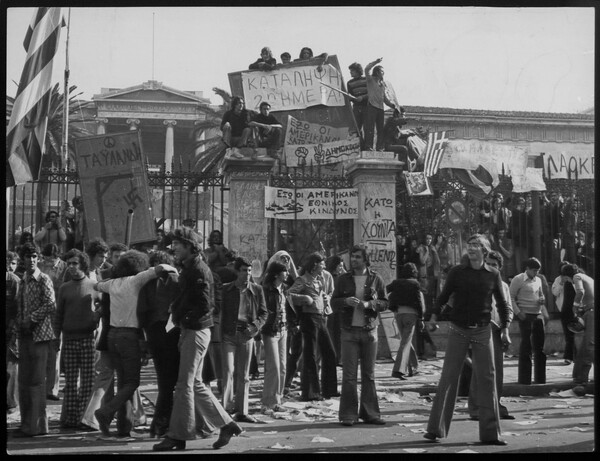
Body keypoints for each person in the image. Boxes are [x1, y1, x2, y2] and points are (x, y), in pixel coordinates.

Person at [153, 228, 241, 451]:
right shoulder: (191, 268)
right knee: (195, 383)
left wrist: (184, 318)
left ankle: (177, 436)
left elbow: (205, 305)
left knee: (184, 385)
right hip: (193, 330)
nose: (174, 249)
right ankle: (227, 424)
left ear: (191, 246)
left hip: (196, 330)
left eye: (178, 245)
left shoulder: (198, 270)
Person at [423, 234, 511, 446]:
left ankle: (491, 434)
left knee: (487, 379)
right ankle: (435, 430)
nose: (471, 248)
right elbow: (443, 297)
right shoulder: (457, 272)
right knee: (448, 377)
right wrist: (433, 317)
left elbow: (502, 303)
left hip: (483, 330)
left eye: (476, 245)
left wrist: (506, 328)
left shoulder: (493, 274)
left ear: (485, 250)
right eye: (469, 245)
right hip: (458, 329)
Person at [93, 250, 176, 438]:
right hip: (128, 336)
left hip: (112, 335)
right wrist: (175, 270)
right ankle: (106, 412)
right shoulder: (136, 280)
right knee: (132, 382)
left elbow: (96, 285)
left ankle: (124, 428)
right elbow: (160, 268)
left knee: (124, 382)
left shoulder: (112, 284)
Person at [331, 244, 388, 426]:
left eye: (357, 257)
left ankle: (370, 414)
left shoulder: (376, 278)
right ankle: (348, 415)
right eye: (352, 257)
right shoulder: (342, 279)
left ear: (365, 259)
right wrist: (345, 301)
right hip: (349, 332)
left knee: (368, 375)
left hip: (370, 331)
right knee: (349, 376)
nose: (353, 260)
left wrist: (370, 304)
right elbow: (333, 303)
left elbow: (385, 303)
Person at [12, 243, 57, 437]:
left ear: (38, 258)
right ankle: (26, 424)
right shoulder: (23, 280)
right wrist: (20, 324)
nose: (31, 260)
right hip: (25, 335)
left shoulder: (43, 279)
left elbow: (51, 304)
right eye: (27, 256)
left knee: (37, 382)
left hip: (40, 335)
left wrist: (31, 319)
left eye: (34, 256)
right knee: (24, 381)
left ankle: (38, 426)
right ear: (22, 259)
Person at [54, 249, 101, 429]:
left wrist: (97, 316)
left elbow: (104, 305)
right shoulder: (65, 288)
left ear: (82, 264)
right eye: (69, 263)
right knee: (71, 382)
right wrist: (55, 338)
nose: (72, 267)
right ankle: (71, 418)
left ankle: (84, 417)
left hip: (88, 338)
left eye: (75, 263)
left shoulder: (94, 285)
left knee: (88, 380)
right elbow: (58, 315)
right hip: (69, 339)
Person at [467, 250, 515, 421]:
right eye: (488, 264)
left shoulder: (504, 287)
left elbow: (507, 308)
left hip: (497, 330)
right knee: (479, 370)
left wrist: (505, 329)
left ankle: (495, 403)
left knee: (497, 371)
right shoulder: (477, 282)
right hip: (480, 329)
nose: (491, 268)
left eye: (494, 265)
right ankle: (475, 407)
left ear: (500, 268)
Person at [137, 250, 180, 438]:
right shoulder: (174, 281)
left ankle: (161, 423)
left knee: (165, 381)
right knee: (170, 382)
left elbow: (142, 314)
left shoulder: (149, 283)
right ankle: (162, 423)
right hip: (169, 333)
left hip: (159, 333)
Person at [220, 256, 268, 422]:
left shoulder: (257, 290)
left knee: (244, 375)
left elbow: (264, 313)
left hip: (247, 335)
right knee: (227, 371)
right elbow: (221, 312)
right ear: (237, 271)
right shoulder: (227, 289)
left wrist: (255, 327)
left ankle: (242, 411)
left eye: (249, 271)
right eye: (243, 270)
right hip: (229, 335)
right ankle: (225, 410)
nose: (247, 274)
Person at [289, 252, 338, 401]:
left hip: (321, 317)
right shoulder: (302, 280)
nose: (324, 266)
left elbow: (323, 294)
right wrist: (305, 298)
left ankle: (329, 389)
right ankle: (311, 392)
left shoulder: (320, 280)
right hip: (308, 318)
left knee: (330, 352)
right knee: (310, 356)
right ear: (315, 265)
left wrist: (324, 299)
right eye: (322, 263)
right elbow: (288, 294)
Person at [509, 257, 549, 385]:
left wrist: (542, 300)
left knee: (540, 348)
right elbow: (510, 297)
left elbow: (541, 294)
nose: (536, 273)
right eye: (534, 270)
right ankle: (525, 379)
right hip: (525, 315)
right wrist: (518, 312)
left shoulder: (538, 279)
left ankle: (540, 378)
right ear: (527, 269)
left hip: (537, 314)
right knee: (526, 346)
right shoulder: (518, 279)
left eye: (538, 270)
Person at [38, 243, 67, 401]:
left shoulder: (65, 268)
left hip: (57, 314)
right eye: (46, 258)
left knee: (55, 351)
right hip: (42, 313)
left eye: (51, 259)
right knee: (42, 350)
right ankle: (41, 385)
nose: (48, 262)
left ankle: (52, 389)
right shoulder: (39, 265)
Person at [260, 261, 289, 413]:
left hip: (283, 330)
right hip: (270, 331)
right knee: (274, 367)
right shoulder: (266, 290)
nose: (288, 273)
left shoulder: (284, 289)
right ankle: (266, 403)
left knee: (283, 367)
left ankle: (277, 400)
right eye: (285, 271)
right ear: (277, 274)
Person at [387, 262, 424, 380]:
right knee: (406, 342)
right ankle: (398, 370)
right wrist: (421, 318)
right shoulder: (415, 284)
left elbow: (385, 290)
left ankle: (414, 367)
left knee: (405, 341)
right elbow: (418, 302)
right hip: (411, 315)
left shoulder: (396, 283)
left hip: (398, 314)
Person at [560, 264, 594, 387]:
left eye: (566, 278)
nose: (568, 281)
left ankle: (581, 378)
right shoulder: (587, 277)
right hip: (589, 311)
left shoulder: (577, 277)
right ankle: (581, 377)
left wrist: (574, 307)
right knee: (590, 345)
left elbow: (580, 291)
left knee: (587, 346)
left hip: (591, 312)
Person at [364, 57, 397, 151]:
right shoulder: (370, 80)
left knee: (380, 129)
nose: (383, 73)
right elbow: (366, 69)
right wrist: (375, 62)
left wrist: (393, 105)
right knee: (370, 128)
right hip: (371, 106)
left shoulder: (382, 84)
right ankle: (368, 146)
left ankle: (379, 147)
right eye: (382, 71)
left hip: (380, 108)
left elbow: (385, 99)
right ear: (377, 72)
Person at [552, 260, 577, 365]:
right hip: (565, 310)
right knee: (568, 335)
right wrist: (561, 283)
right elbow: (554, 292)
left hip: (575, 309)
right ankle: (569, 357)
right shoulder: (558, 280)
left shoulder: (576, 279)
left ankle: (574, 356)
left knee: (576, 334)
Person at [6, 251, 21, 415]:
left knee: (11, 367)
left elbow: (18, 308)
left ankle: (11, 402)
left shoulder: (15, 281)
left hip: (10, 330)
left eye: (12, 263)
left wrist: (12, 328)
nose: (9, 266)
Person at [325, 255, 347, 364]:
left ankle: (339, 358)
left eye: (342, 266)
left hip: (339, 309)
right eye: (339, 266)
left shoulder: (342, 276)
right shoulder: (329, 276)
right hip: (330, 308)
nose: (341, 268)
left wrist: (344, 272)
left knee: (339, 335)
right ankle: (333, 357)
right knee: (331, 333)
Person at [347, 62, 368, 141]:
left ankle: (367, 147)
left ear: (357, 71)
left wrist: (363, 97)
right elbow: (351, 95)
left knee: (367, 128)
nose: (350, 72)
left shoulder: (366, 80)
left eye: (352, 71)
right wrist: (350, 98)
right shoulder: (349, 83)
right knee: (356, 128)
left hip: (367, 107)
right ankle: (359, 145)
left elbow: (371, 93)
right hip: (356, 107)